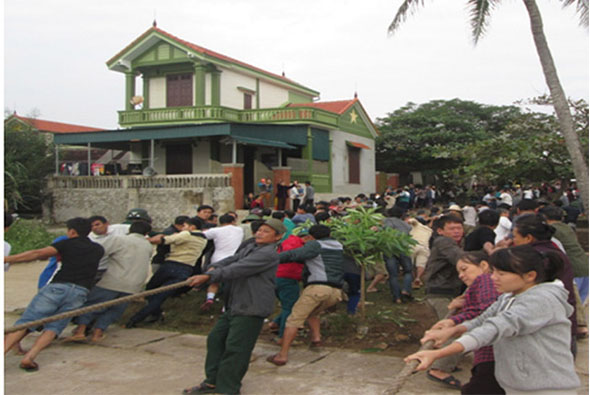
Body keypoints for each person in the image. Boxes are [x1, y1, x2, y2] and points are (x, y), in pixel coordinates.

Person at [405, 245, 580, 394]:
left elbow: (495, 327)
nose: (493, 278)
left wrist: (437, 354)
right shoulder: (509, 296)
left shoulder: (541, 301)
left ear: (530, 276)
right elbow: (484, 318)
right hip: (518, 386)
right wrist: (453, 329)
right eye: (494, 271)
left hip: (547, 388)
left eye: (501, 273)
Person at [181, 218, 286, 395]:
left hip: (252, 307)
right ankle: (212, 382)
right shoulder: (251, 247)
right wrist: (212, 268)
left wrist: (209, 277)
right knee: (215, 339)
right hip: (236, 304)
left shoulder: (268, 254)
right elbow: (231, 260)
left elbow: (238, 268)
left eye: (266, 231)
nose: (259, 233)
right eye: (259, 230)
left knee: (237, 349)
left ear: (278, 237)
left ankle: (228, 389)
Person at [4, 218, 104, 372]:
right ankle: (29, 357)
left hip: (58, 288)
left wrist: (6, 259)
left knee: (28, 321)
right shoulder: (98, 249)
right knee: (55, 326)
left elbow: (38, 253)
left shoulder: (66, 243)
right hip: (80, 292)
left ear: (71, 231)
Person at [266, 225, 344, 366]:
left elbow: (293, 255)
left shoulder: (315, 245)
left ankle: (282, 355)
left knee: (293, 319)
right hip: (336, 291)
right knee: (312, 313)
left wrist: (270, 258)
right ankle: (316, 340)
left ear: (311, 236)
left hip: (317, 288)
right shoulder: (338, 246)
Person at [67, 221, 153, 342]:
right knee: (115, 310)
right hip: (134, 284)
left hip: (113, 280)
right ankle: (98, 333)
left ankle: (80, 331)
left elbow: (98, 251)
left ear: (130, 230)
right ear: (147, 233)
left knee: (94, 305)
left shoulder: (119, 239)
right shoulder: (148, 245)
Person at [431, 251, 503, 394]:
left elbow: (487, 312)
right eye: (459, 272)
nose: (461, 275)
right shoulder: (482, 285)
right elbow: (481, 310)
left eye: (464, 269)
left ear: (483, 265)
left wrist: (454, 321)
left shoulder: (485, 280)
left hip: (491, 351)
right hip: (490, 352)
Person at [125, 217, 207, 327]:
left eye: (185, 226)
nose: (183, 228)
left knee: (150, 290)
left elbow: (162, 241)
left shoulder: (187, 234)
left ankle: (142, 318)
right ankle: (140, 319)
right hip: (186, 269)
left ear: (192, 227)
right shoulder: (203, 239)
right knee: (161, 295)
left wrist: (142, 240)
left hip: (171, 265)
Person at [422, 215, 465, 388]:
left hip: (447, 292)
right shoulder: (444, 243)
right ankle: (439, 368)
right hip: (440, 293)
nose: (457, 231)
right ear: (440, 231)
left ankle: (449, 361)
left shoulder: (451, 243)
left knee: (457, 327)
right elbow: (462, 260)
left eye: (459, 228)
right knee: (454, 331)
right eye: (452, 228)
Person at [268, 228, 306, 343]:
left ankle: (275, 323)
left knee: (286, 304)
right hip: (288, 278)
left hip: (275, 276)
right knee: (289, 307)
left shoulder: (287, 242)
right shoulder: (301, 246)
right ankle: (283, 337)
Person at [200, 213, 244, 311]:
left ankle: (210, 298)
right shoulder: (239, 230)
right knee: (230, 284)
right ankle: (226, 306)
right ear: (233, 222)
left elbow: (203, 235)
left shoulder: (215, 230)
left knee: (214, 280)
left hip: (217, 258)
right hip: (233, 258)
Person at [383, 206, 413, 303]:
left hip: (390, 248)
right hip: (403, 248)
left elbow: (385, 230)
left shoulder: (387, 221)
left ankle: (397, 297)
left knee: (393, 275)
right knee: (408, 271)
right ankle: (406, 290)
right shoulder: (406, 225)